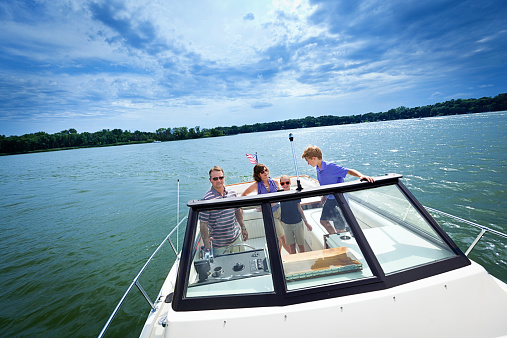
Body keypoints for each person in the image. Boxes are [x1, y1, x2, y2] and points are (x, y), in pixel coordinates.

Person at [301, 145, 375, 234]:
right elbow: (326, 184)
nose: (308, 163)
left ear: (314, 158)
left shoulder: (330, 167)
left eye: (307, 161)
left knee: (340, 228)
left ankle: (343, 242)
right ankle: (335, 237)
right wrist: (324, 196)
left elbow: (348, 171)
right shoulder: (318, 168)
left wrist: (361, 176)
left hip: (338, 200)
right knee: (323, 221)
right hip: (330, 198)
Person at [200, 166, 248, 256]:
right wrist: (206, 243)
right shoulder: (206, 199)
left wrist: (243, 228)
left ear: (224, 177)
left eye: (221, 177)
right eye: (215, 178)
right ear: (210, 180)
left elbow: (237, 211)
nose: (219, 181)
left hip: (236, 238)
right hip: (219, 245)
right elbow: (203, 224)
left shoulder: (232, 193)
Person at [241, 164, 290, 253]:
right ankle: (293, 255)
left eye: (266, 170)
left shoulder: (275, 182)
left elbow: (280, 196)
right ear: (258, 174)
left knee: (282, 236)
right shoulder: (256, 185)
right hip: (270, 214)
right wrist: (258, 205)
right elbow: (244, 195)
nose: (265, 173)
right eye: (262, 172)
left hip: (281, 210)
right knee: (282, 237)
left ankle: (277, 255)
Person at [279, 175, 312, 254]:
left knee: (301, 245)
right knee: (292, 246)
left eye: (287, 182)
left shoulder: (295, 193)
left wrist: (306, 223)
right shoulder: (279, 194)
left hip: (298, 223)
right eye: (282, 183)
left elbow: (299, 209)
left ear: (290, 183)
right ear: (280, 184)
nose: (285, 185)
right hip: (286, 224)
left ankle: (303, 259)